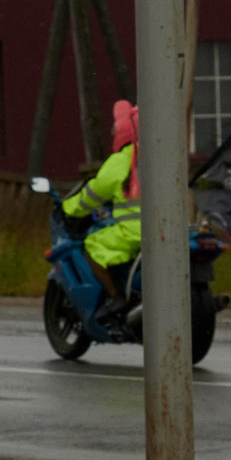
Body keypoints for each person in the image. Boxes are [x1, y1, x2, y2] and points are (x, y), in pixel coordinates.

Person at [66, 101, 143, 324]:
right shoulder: (162, 156)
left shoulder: (123, 160)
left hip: (134, 232)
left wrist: (69, 208)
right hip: (168, 230)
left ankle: (115, 297)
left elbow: (95, 193)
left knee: (93, 246)